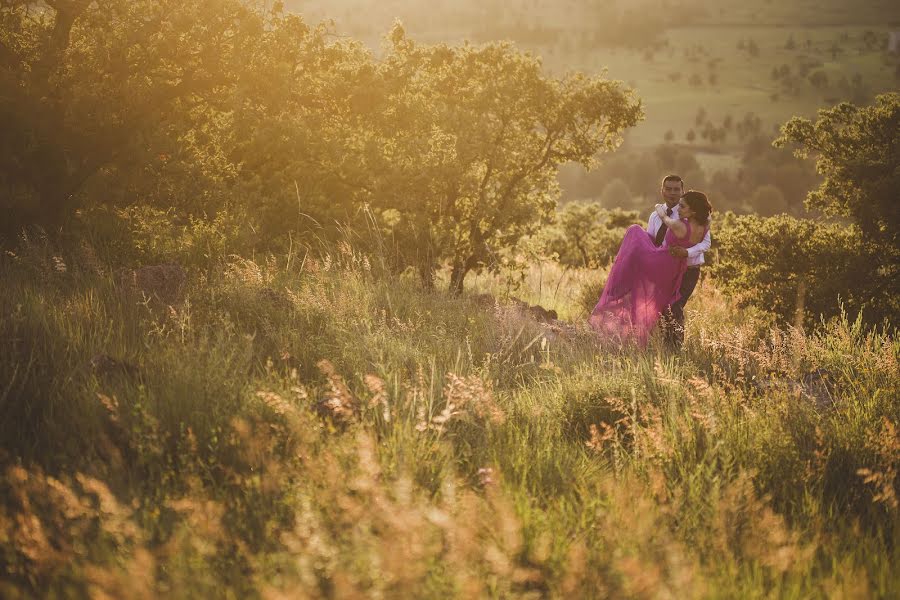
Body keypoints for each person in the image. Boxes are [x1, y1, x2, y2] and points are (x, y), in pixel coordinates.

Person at [589, 189, 712, 348]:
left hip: (661, 263)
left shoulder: (679, 225)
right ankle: (666, 344)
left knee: (634, 231)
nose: (679, 210)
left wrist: (659, 209)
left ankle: (614, 297)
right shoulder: (705, 226)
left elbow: (665, 218)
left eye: (682, 207)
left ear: (693, 211)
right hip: (675, 268)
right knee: (664, 307)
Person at [647, 176, 712, 348]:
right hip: (663, 270)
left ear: (683, 191)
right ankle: (664, 346)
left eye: (676, 189)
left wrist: (687, 252)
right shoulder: (654, 216)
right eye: (668, 189)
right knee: (662, 309)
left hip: (688, 269)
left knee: (674, 306)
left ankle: (675, 348)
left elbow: (706, 242)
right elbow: (652, 241)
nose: (672, 193)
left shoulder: (690, 213)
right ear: (662, 190)